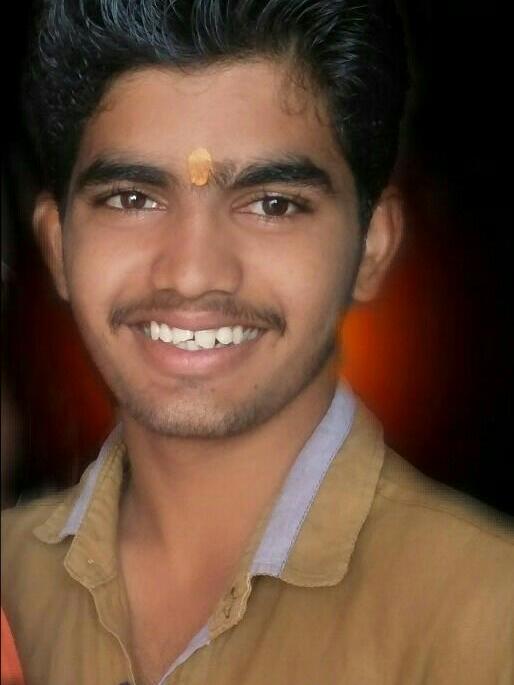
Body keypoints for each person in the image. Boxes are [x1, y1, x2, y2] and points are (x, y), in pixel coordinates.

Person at [2, 1, 513, 684]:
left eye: (273, 204)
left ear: (371, 246)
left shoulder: (485, 616)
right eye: (132, 198)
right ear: (57, 245)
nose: (192, 273)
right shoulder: (10, 578)